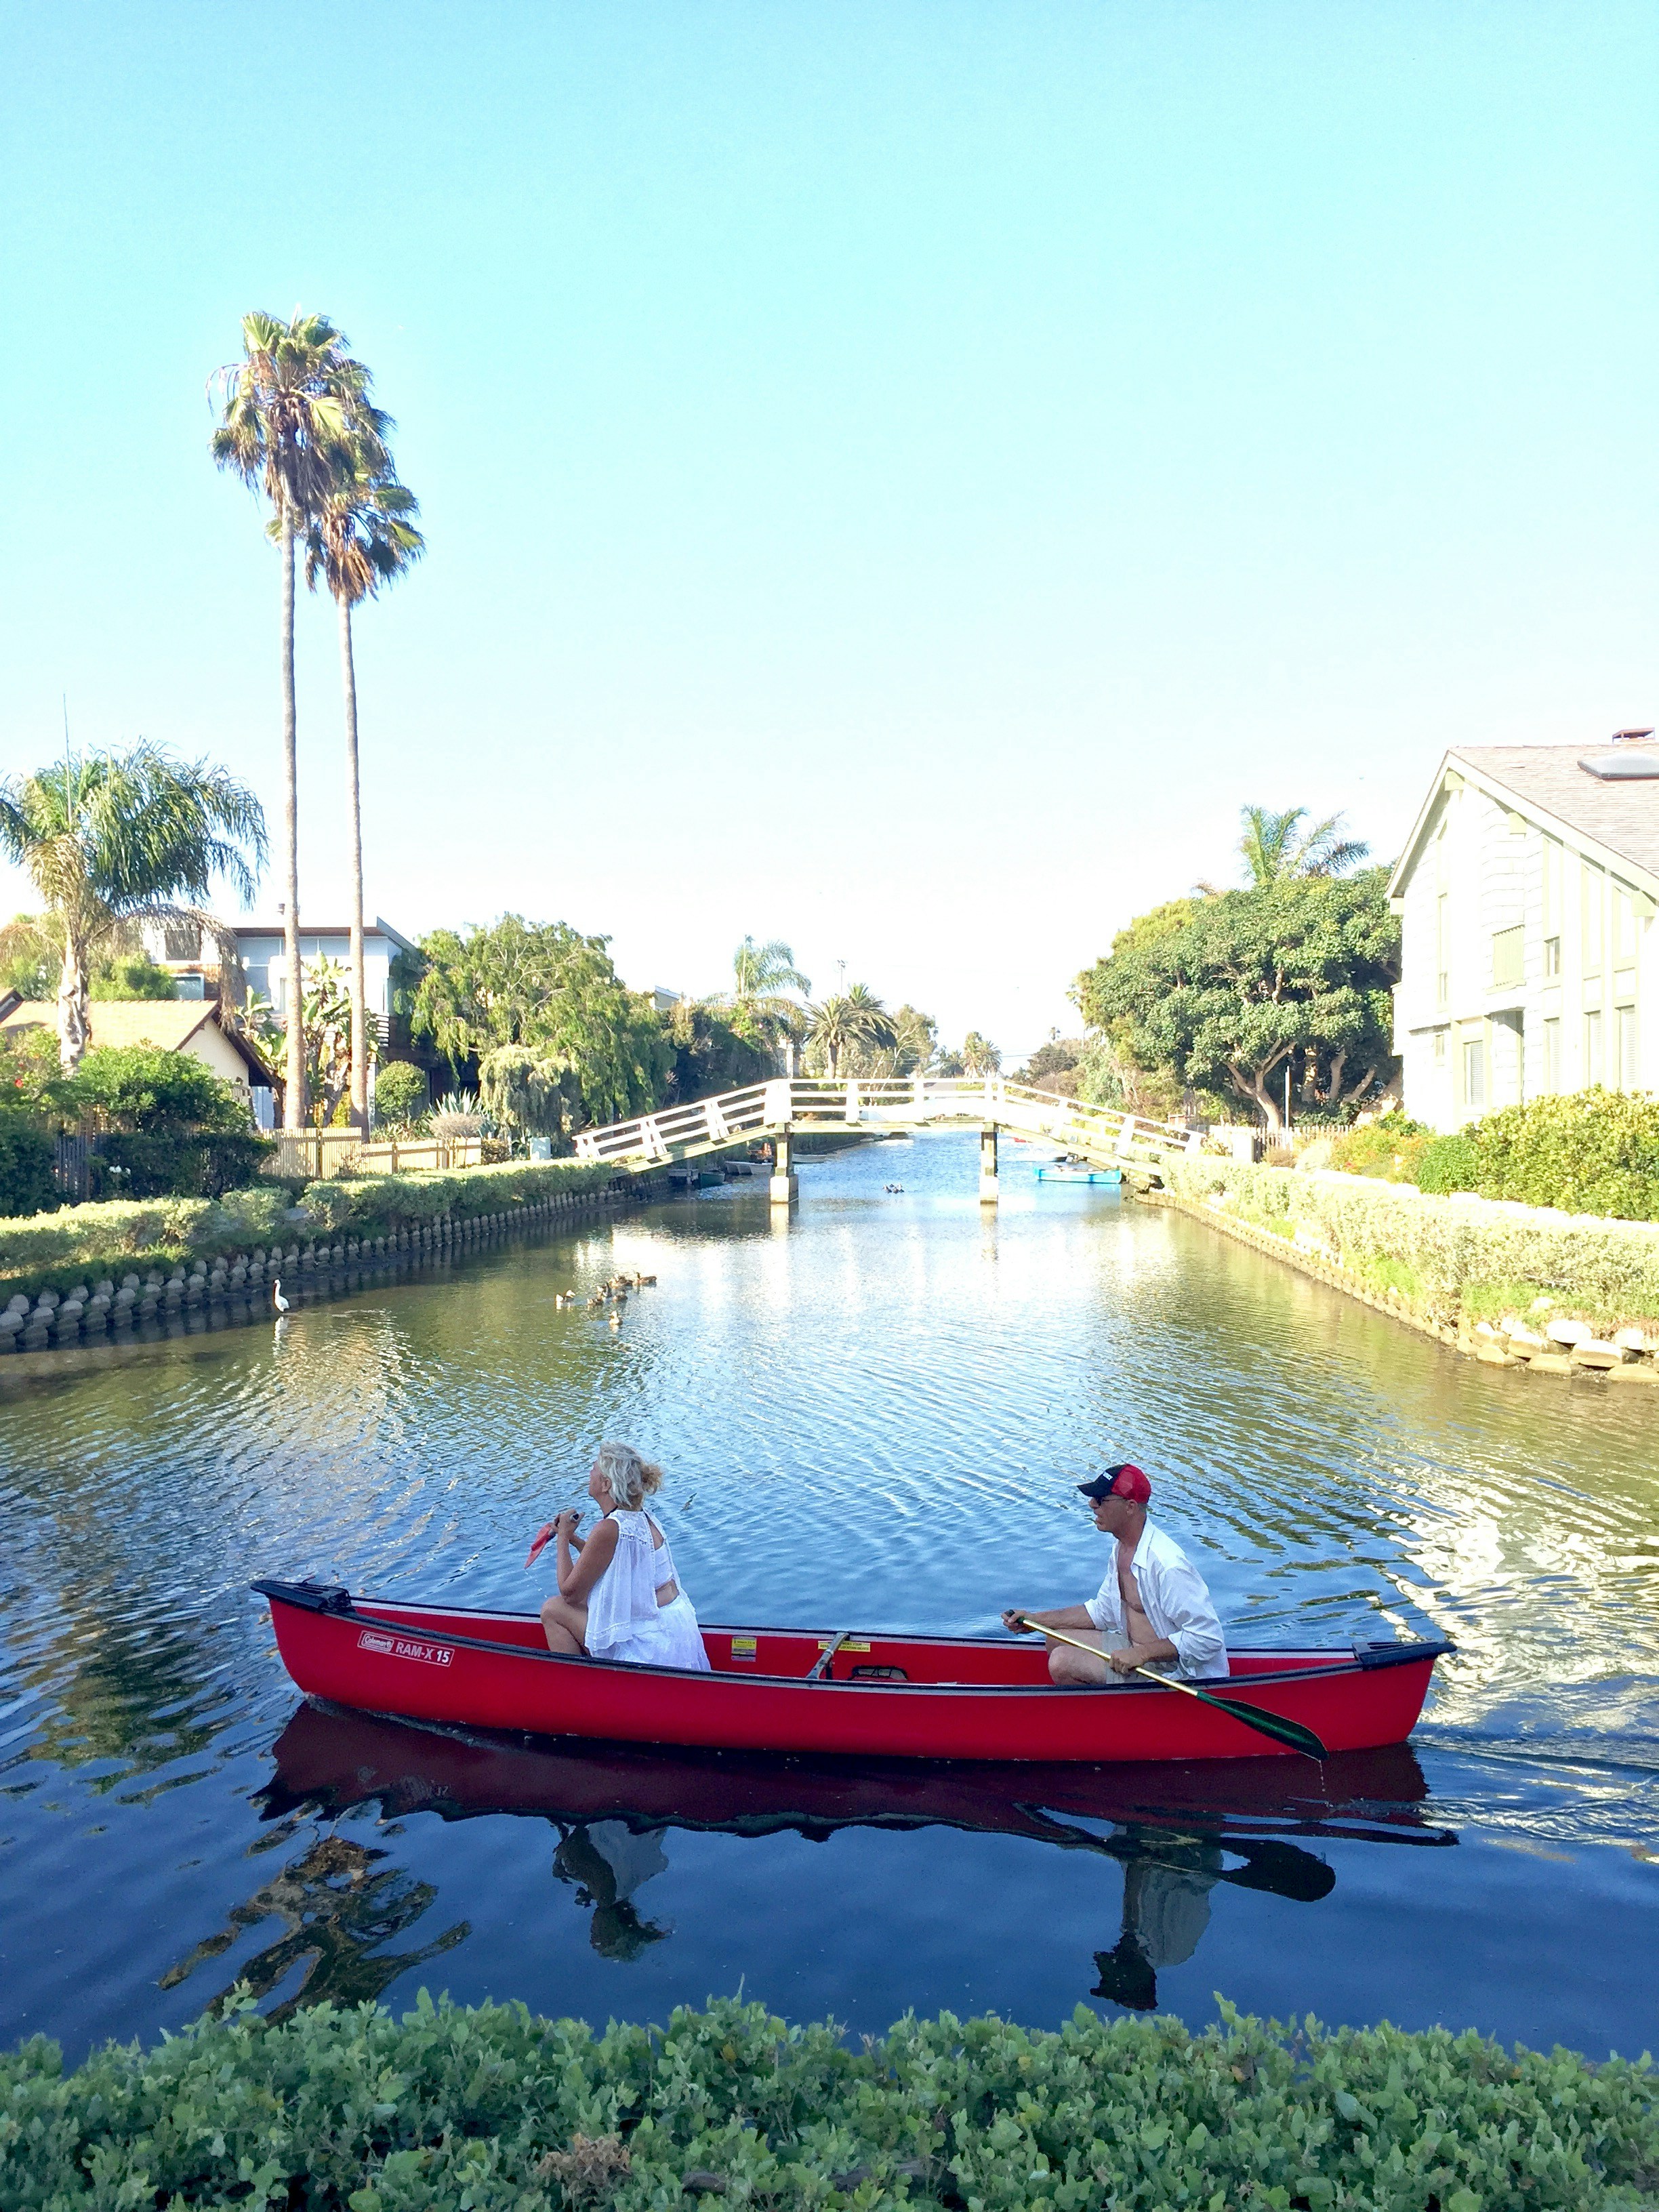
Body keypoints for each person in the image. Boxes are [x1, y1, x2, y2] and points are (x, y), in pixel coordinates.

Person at [1002, 1464, 1228, 1686]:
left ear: (1130, 1507)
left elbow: (1207, 1638)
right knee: (1054, 1639)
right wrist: (1035, 1620)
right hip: (1136, 1650)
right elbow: (1102, 1612)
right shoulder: (1121, 1549)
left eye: (1101, 1500)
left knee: (1062, 1662)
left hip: (1176, 1670)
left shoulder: (1168, 1565)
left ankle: (1111, 1709)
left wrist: (1142, 1654)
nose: (1092, 1505)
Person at [540, 1441, 712, 1671]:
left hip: (648, 1647)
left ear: (606, 1484)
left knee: (553, 1609)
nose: (590, 1473)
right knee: (587, 1601)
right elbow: (609, 1562)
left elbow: (569, 1593)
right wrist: (573, 1539)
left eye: (594, 1468)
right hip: (674, 1632)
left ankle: (578, 1686)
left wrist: (562, 1538)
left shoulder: (610, 1527)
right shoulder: (644, 1518)